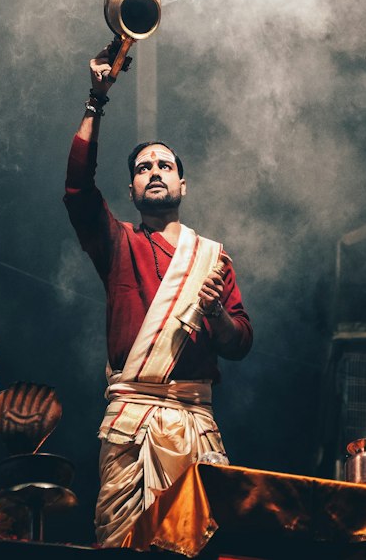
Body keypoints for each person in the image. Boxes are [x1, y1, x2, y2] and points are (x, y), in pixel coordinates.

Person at [64, 43, 253, 548]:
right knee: (124, 548)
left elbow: (240, 342)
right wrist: (95, 101)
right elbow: (78, 191)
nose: (153, 171)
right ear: (130, 190)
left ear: (182, 184)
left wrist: (213, 313)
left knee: (200, 546)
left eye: (164, 166)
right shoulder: (118, 242)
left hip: (196, 424)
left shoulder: (212, 258)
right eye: (144, 167)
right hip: (132, 426)